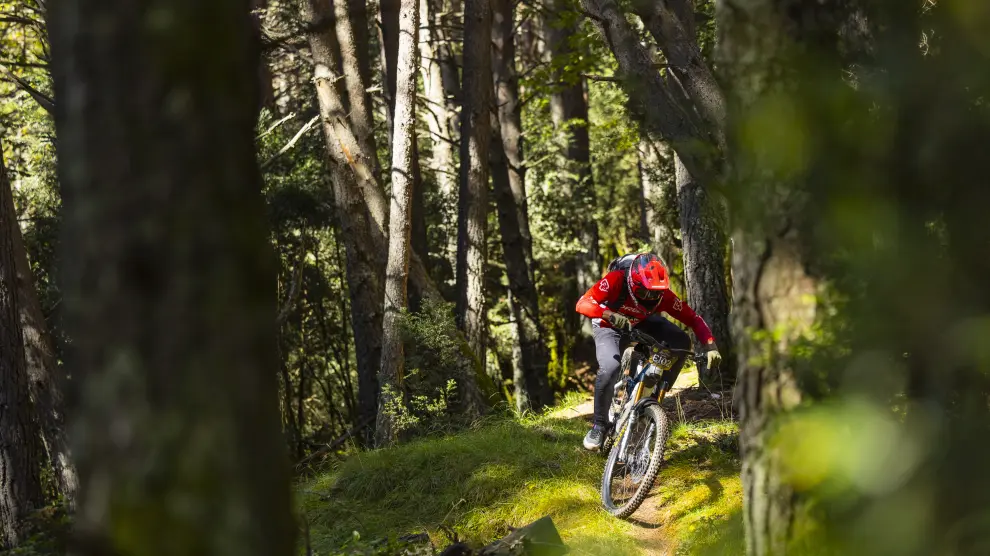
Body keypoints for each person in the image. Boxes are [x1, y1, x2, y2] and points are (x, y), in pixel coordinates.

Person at [574, 253, 721, 450]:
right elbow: (583, 302)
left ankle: (656, 395)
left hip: (639, 322)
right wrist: (607, 314)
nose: (651, 298)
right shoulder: (617, 279)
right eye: (646, 293)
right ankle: (599, 426)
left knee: (680, 341)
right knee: (610, 368)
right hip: (608, 325)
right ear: (634, 285)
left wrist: (710, 345)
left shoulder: (662, 295)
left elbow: (693, 319)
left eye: (656, 294)